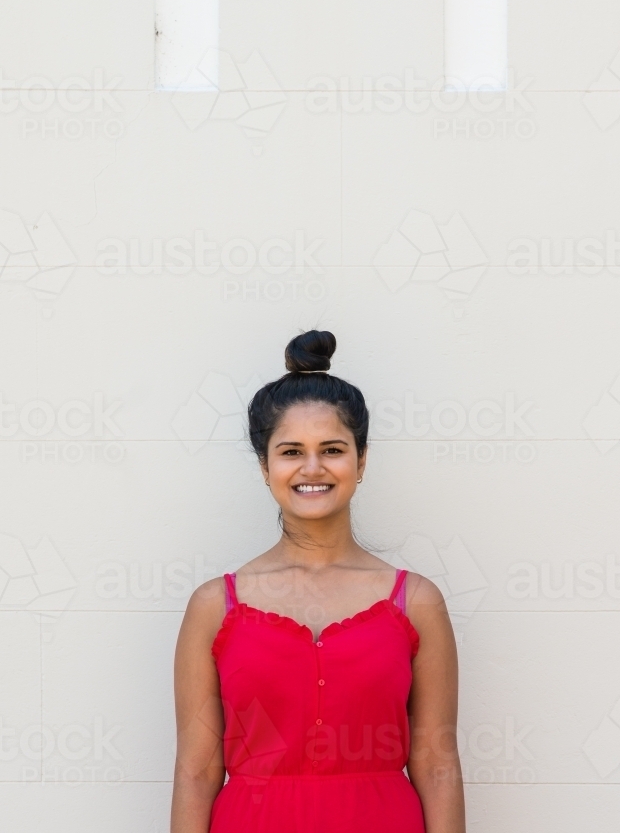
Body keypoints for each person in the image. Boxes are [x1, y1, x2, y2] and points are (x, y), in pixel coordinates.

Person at [171, 330, 465, 833]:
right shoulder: (213, 606)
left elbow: (437, 765)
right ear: (265, 466)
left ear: (361, 460)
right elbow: (197, 772)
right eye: (291, 451)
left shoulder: (416, 602)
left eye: (332, 449)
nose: (313, 468)